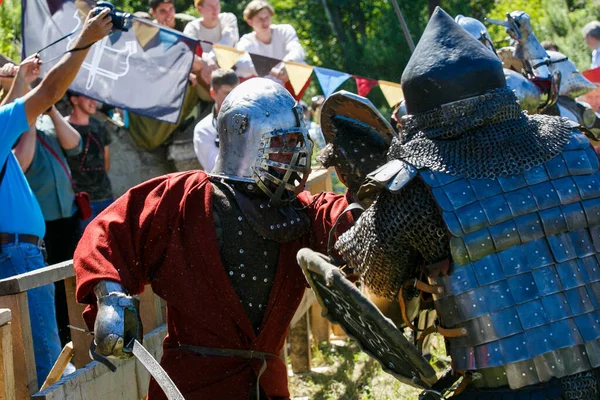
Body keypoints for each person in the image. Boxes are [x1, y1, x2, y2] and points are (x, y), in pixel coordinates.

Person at [334, 8, 600, 398]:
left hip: (506, 386)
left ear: (422, 110)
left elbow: (381, 294)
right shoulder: (576, 145)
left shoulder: (415, 186)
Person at [73, 78, 352, 400]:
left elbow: (345, 224)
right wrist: (110, 297)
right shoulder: (183, 198)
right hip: (191, 384)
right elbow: (106, 235)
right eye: (283, 142)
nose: (293, 152)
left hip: (266, 385)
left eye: (296, 141)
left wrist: (368, 191)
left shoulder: (301, 212)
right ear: (244, 136)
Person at [0, 9, 111, 385]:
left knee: (21, 366)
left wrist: (19, 83)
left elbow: (11, 112)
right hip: (17, 255)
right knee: (44, 362)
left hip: (14, 253)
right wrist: (85, 39)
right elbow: (49, 92)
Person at [11, 104, 83, 348]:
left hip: (68, 214)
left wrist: (51, 111)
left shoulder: (49, 121)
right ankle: (64, 341)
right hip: (43, 222)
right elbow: (23, 162)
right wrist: (29, 119)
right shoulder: (14, 127)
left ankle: (78, 337)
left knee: (75, 279)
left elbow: (75, 144)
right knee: (52, 288)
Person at [65, 93, 113, 233]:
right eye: (87, 97)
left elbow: (106, 163)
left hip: (106, 198)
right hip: (80, 204)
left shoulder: (99, 126)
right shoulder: (63, 128)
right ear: (74, 100)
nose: (93, 101)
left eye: (94, 97)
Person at [236, 0, 305, 87]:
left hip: (287, 84)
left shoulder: (285, 30)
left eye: (267, 17)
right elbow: (240, 60)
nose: (264, 22)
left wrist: (288, 63)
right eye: (260, 19)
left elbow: (297, 49)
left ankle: (293, 100)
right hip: (261, 88)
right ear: (250, 21)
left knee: (302, 67)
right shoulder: (246, 40)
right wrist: (270, 70)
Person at [193, 69, 238, 172]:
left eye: (236, 92)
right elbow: (216, 168)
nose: (234, 98)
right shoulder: (203, 129)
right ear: (213, 93)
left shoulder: (252, 121)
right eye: (227, 93)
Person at [183, 0, 239, 66]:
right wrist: (204, 64)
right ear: (199, 9)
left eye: (217, 5)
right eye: (210, 6)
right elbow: (187, 51)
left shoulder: (228, 19)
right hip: (202, 71)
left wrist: (209, 59)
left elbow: (227, 42)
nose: (215, 10)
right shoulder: (192, 27)